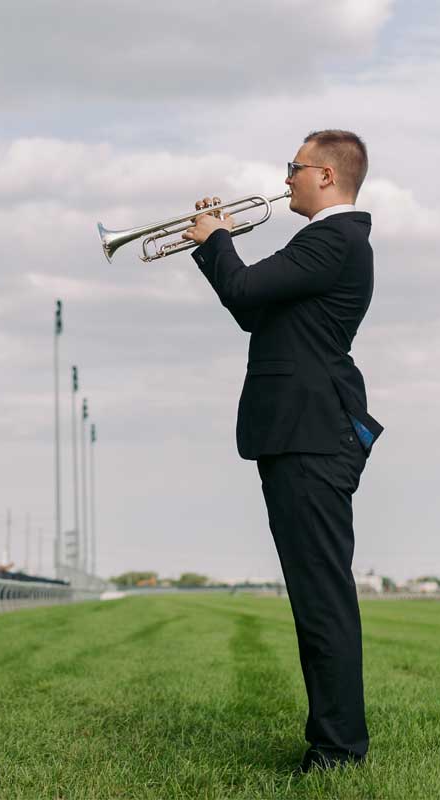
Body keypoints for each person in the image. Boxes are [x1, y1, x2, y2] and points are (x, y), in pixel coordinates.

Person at [181, 130, 382, 773]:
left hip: (310, 433)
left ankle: (338, 750)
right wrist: (210, 248)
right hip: (302, 433)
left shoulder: (334, 238)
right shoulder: (331, 243)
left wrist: (216, 238)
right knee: (314, 592)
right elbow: (253, 312)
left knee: (321, 596)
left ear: (325, 175)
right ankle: (334, 741)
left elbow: (243, 292)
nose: (285, 177)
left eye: (293, 168)